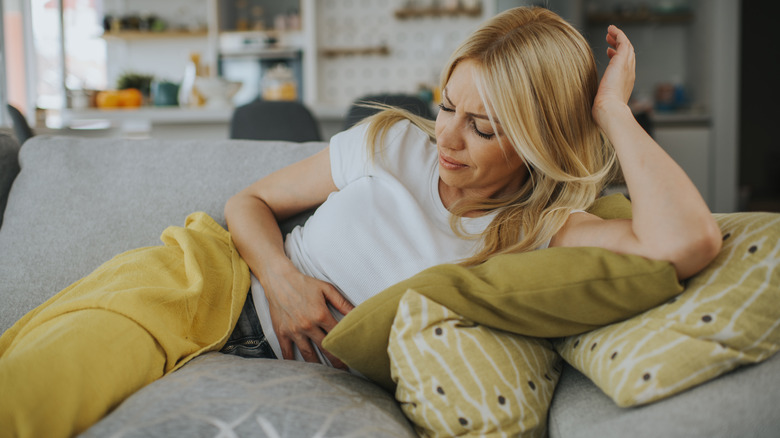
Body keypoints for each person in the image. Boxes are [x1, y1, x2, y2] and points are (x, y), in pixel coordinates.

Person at [0, 6, 722, 436]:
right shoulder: (391, 142)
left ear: (536, 142)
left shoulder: (545, 227)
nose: (446, 138)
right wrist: (281, 279)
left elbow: (687, 242)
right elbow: (245, 205)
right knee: (38, 386)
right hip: (206, 281)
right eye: (445, 106)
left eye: (483, 127)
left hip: (290, 360)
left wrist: (612, 113)